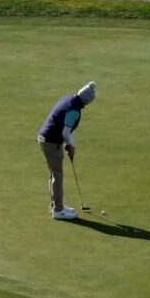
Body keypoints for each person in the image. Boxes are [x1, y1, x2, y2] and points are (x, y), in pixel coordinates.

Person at [36, 81, 97, 221]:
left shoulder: (68, 98)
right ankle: (58, 210)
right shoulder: (74, 111)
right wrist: (71, 146)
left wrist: (70, 145)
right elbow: (66, 132)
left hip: (46, 138)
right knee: (57, 174)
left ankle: (57, 205)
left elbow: (67, 129)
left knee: (54, 173)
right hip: (51, 142)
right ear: (88, 101)